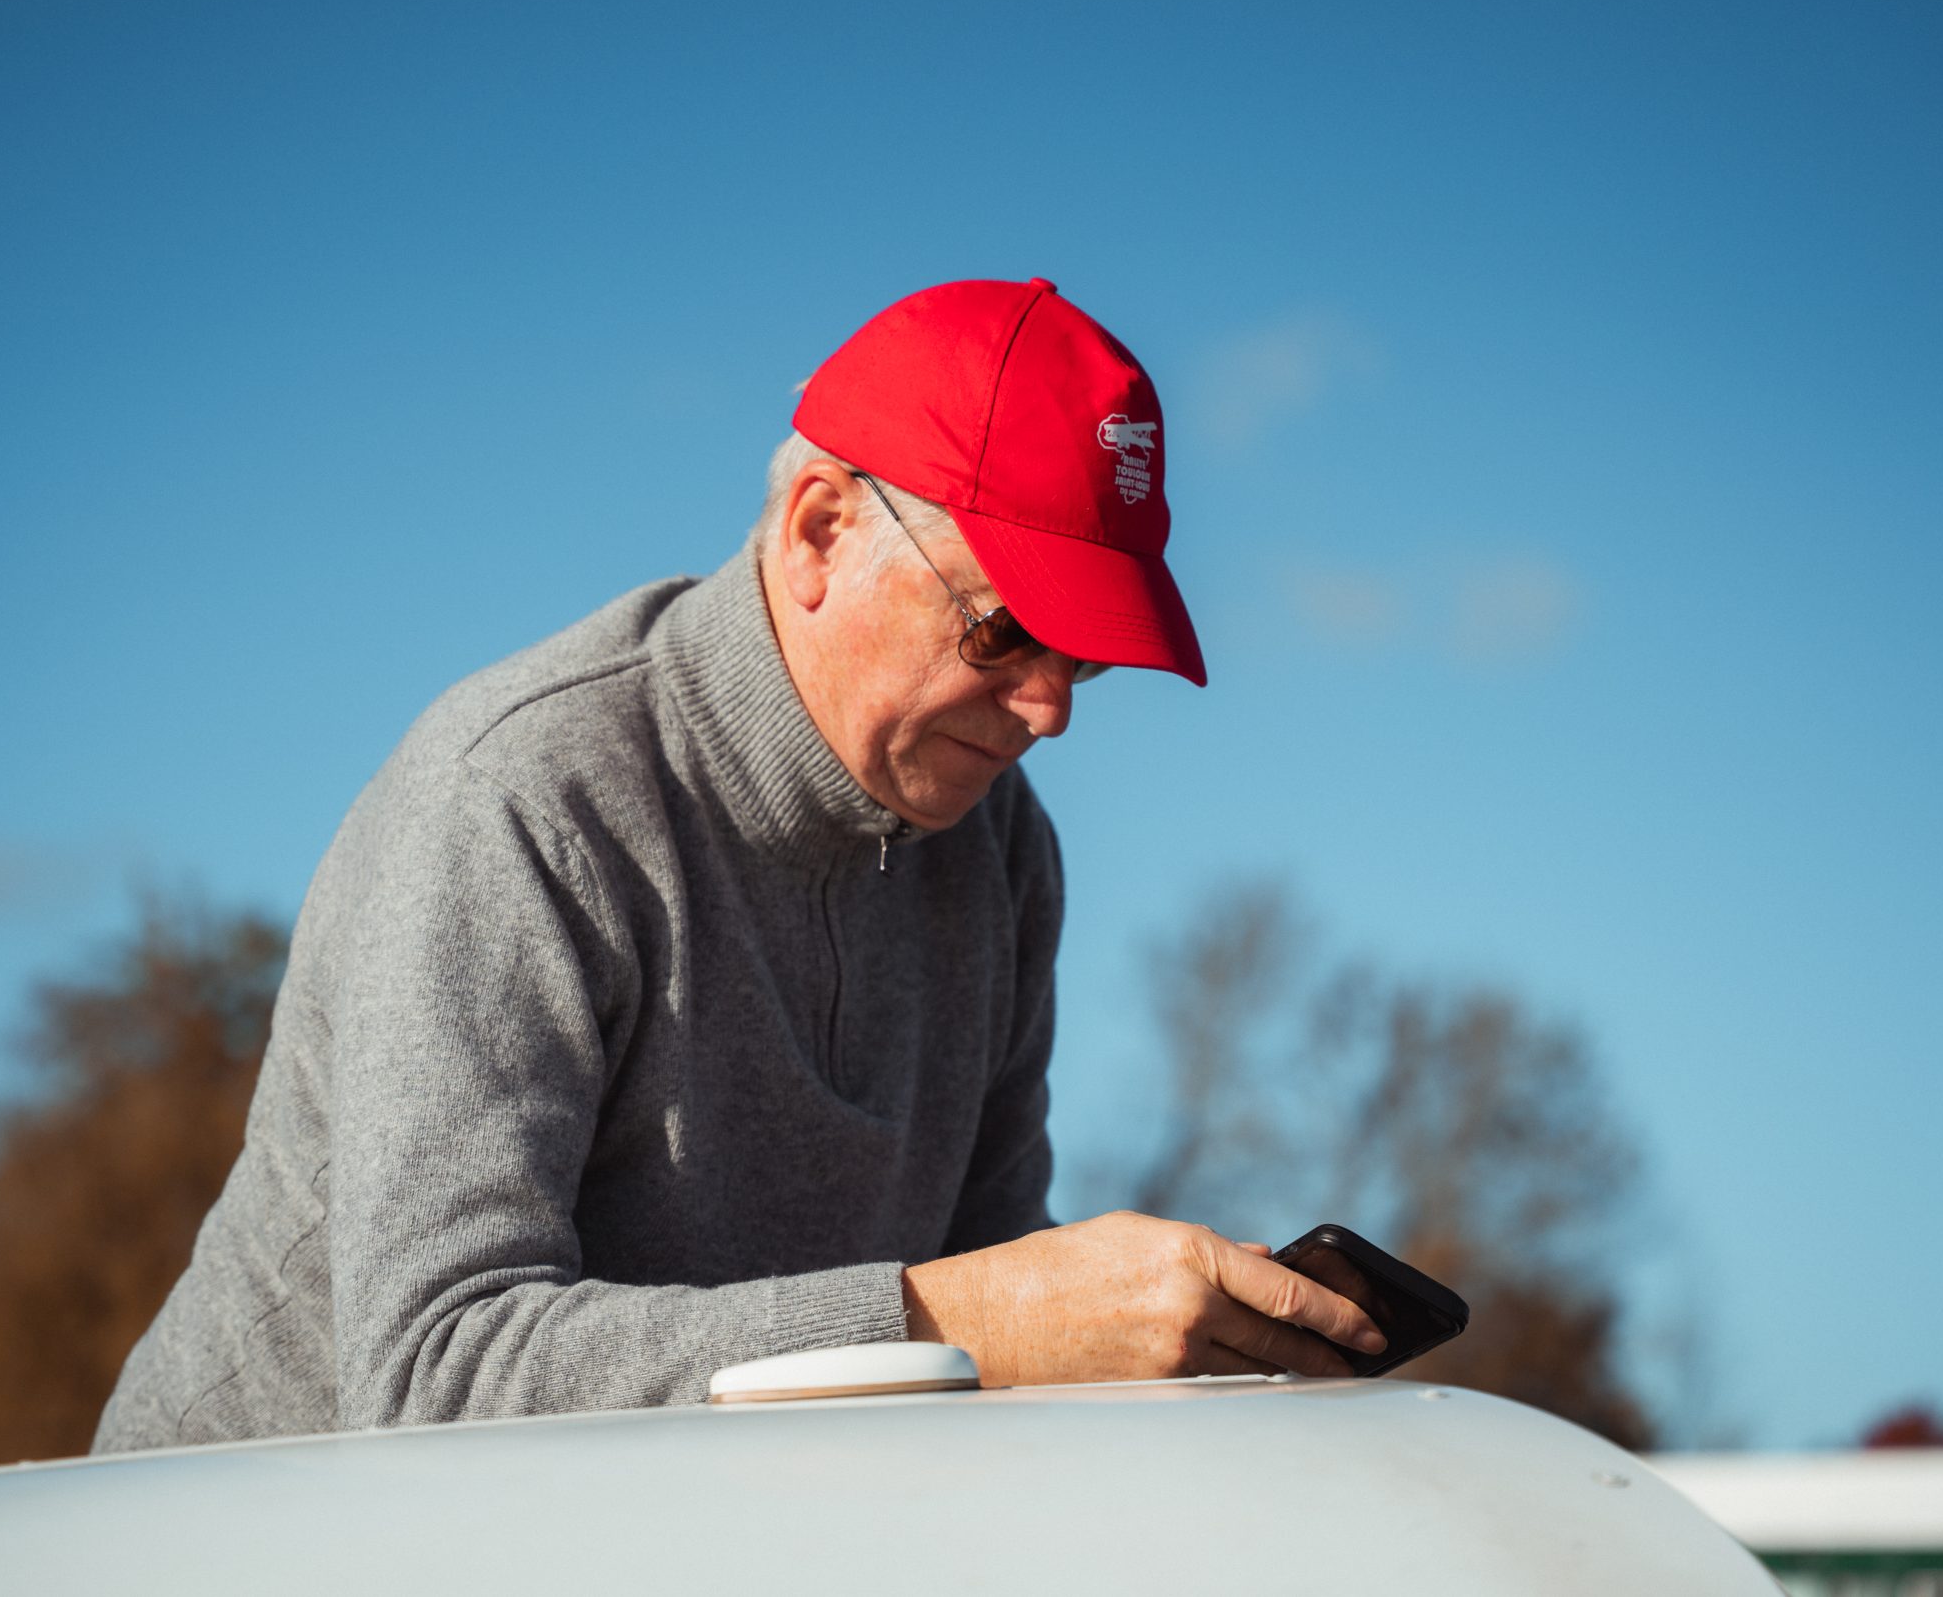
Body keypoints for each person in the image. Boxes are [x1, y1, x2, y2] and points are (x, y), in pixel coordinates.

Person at [92, 277, 1384, 1453]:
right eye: (1005, 632)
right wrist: (965, 1319)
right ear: (821, 531)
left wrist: (1158, 1348)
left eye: (1084, 655)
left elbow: (997, 1298)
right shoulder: (521, 796)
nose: (1049, 711)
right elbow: (435, 1377)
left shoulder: (999, 849)